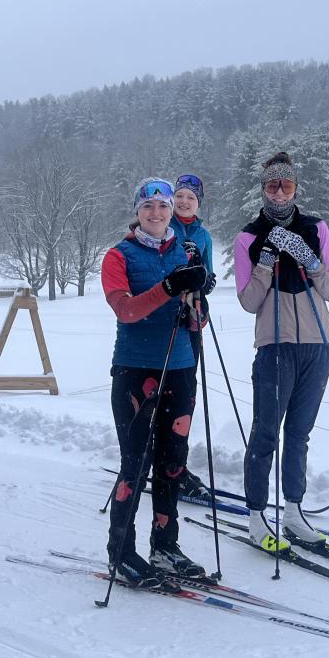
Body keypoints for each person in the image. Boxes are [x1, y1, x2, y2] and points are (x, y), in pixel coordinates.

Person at [233, 152, 329, 551]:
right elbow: (248, 301)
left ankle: (294, 511)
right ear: (262, 189)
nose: (280, 193)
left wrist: (309, 260)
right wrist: (265, 263)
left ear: (296, 187)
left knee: (299, 433)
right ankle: (256, 515)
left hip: (317, 344)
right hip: (275, 344)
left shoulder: (316, 228)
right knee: (266, 433)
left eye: (287, 185)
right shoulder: (248, 236)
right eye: (272, 185)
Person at [101, 178, 209, 585]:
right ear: (137, 212)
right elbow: (125, 310)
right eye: (148, 207)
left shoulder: (184, 251)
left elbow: (198, 319)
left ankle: (165, 545)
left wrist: (197, 305)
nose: (157, 213)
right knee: (136, 463)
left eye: (163, 207)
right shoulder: (118, 255)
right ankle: (121, 551)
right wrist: (168, 288)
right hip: (135, 370)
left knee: (172, 463)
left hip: (180, 366)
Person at [168, 173, 218, 502]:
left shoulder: (203, 235)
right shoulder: (162, 225)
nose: (185, 201)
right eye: (180, 196)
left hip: (192, 322)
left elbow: (210, 275)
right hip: (163, 321)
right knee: (156, 392)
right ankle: (153, 458)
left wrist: (203, 278)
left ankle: (176, 466)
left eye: (191, 197)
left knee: (185, 394)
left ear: (199, 203)